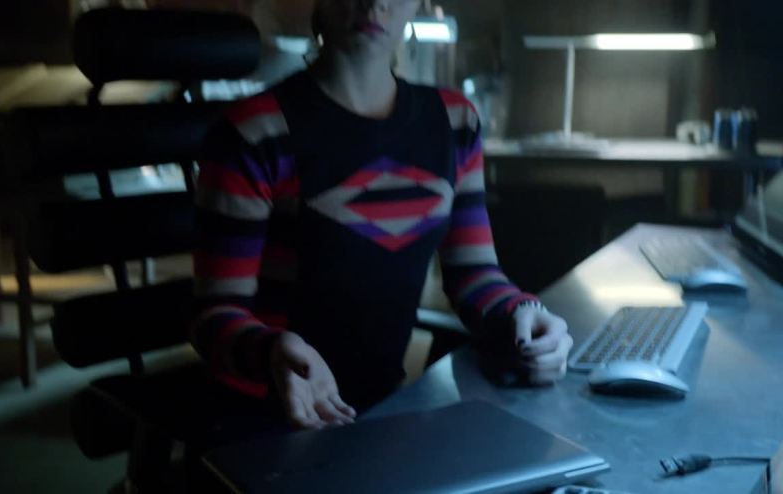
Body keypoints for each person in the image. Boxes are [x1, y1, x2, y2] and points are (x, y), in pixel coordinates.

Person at [191, 0, 573, 430]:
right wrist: (270, 352)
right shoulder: (253, 132)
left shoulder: (454, 123)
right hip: (271, 418)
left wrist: (523, 314)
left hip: (384, 410)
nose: (375, 3)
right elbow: (214, 317)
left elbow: (474, 274)